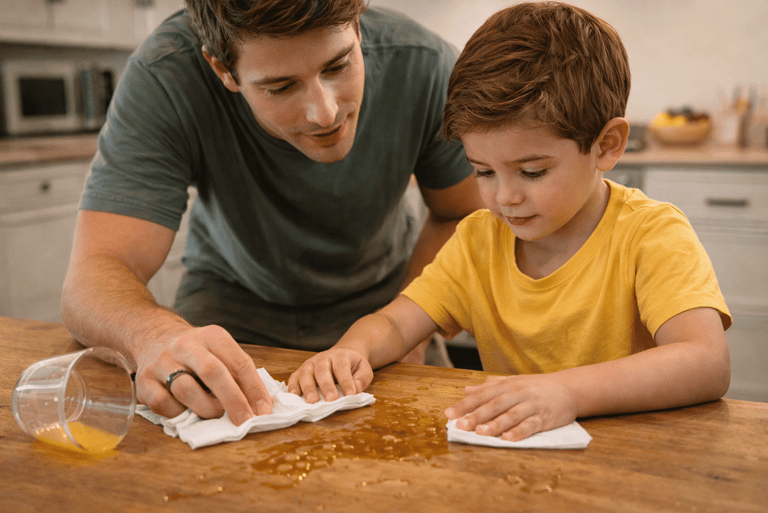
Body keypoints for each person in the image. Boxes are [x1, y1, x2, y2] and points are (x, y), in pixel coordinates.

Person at [287, 1, 732, 442]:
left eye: (532, 172)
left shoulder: (652, 235)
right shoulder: (478, 240)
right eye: (483, 172)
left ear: (606, 145)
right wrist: (350, 350)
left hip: (631, 458)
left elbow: (706, 362)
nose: (504, 197)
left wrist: (567, 391)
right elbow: (397, 324)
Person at [61, 0, 483, 426]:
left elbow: (461, 215)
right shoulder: (165, 75)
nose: (325, 113)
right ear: (223, 71)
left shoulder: (425, 64)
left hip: (392, 305)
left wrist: (405, 330)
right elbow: (95, 273)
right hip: (230, 313)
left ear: (357, 27)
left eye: (338, 66)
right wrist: (153, 336)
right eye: (281, 87)